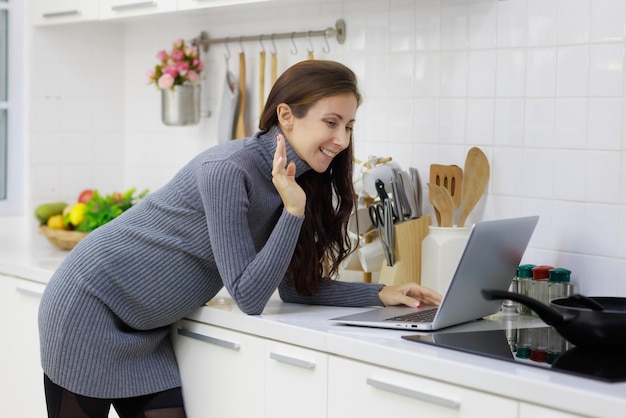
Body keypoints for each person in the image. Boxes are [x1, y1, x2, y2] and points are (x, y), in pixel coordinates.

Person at [38, 60, 441, 418]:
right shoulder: (229, 170)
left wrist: (381, 294)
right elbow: (248, 297)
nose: (342, 140)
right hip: (86, 310)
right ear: (286, 115)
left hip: (147, 332)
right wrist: (293, 211)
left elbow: (290, 287)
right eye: (331, 122)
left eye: (349, 126)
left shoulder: (296, 182)